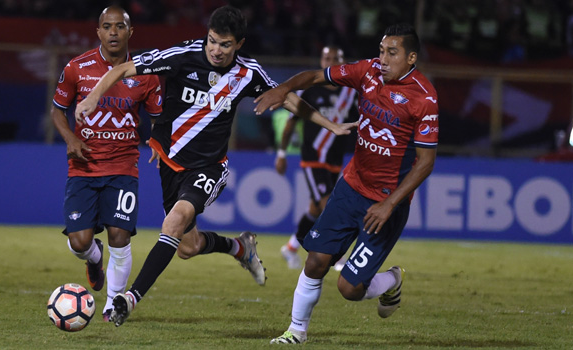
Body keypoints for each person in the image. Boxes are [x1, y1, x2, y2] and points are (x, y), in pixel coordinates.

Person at [75, 5, 356, 327]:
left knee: (173, 223)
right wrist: (94, 96)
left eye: (225, 45)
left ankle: (129, 299)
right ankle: (239, 247)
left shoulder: (248, 73)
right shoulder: (183, 55)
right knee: (187, 246)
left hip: (209, 166)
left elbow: (290, 99)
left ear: (239, 44)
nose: (216, 50)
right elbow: (123, 69)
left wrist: (329, 125)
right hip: (170, 163)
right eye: (212, 41)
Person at [254, 23, 439, 344]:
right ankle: (296, 332)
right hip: (351, 186)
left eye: (391, 53)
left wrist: (389, 204)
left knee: (349, 288)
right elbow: (314, 76)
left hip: (384, 204)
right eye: (381, 51)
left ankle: (392, 279)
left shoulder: (424, 99)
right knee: (315, 261)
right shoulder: (366, 71)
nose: (382, 58)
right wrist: (282, 89)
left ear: (411, 58)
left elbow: (425, 163)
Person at [51, 5, 163, 322]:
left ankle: (113, 304)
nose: (113, 32)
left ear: (130, 32)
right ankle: (93, 259)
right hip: (83, 166)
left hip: (124, 166)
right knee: (79, 241)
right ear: (98, 31)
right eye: (107, 26)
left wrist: (158, 140)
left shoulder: (147, 74)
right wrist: (71, 140)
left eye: (120, 26)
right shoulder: (76, 67)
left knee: (120, 235)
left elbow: (158, 119)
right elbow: (57, 111)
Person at [276, 45, 358, 270]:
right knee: (328, 203)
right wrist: (281, 154)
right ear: (321, 61)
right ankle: (335, 254)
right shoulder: (308, 89)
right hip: (313, 156)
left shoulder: (352, 92)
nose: (330, 62)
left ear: (343, 62)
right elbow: (290, 124)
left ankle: (291, 247)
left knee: (315, 207)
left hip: (335, 159)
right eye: (326, 58)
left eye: (335, 58)